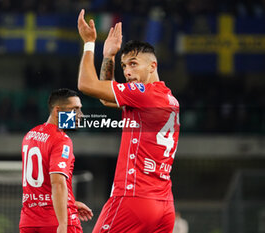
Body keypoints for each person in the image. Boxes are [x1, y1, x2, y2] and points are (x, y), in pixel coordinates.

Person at [77, 9, 180, 233]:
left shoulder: (143, 92)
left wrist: (88, 43)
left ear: (153, 66)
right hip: (164, 206)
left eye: (134, 64)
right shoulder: (170, 99)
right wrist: (109, 57)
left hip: (134, 198)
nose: (127, 71)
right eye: (124, 66)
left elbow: (86, 84)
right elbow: (106, 100)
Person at [19, 88, 93, 233]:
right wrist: (63, 224)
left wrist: (71, 202)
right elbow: (57, 182)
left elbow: (42, 184)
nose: (80, 115)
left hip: (29, 221)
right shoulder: (61, 140)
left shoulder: (30, 135)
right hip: (55, 221)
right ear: (58, 110)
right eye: (75, 109)